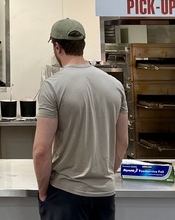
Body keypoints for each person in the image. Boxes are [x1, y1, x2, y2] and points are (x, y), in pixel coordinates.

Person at [33, 18, 129, 220]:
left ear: (57, 47)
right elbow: (122, 142)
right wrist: (104, 174)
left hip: (66, 194)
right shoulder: (115, 85)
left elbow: (41, 150)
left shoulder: (53, 86)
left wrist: (43, 191)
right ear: (82, 45)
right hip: (104, 195)